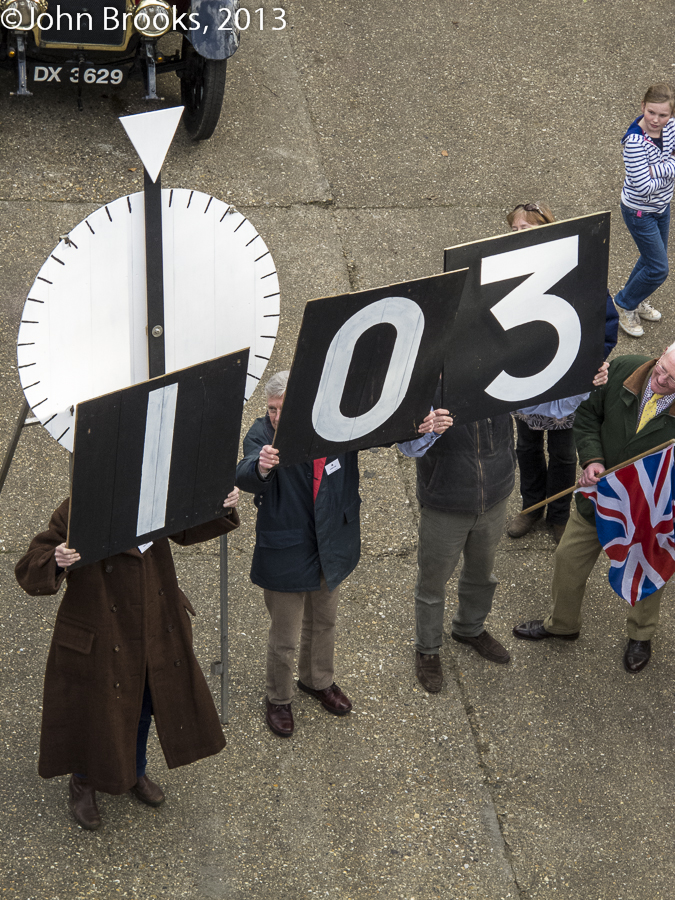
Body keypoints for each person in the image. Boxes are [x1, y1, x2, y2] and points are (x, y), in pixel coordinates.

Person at [14, 491, 240, 830]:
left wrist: (220, 502)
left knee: (145, 705)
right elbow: (29, 568)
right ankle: (83, 780)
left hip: (152, 623)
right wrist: (57, 558)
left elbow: (189, 528)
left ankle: (135, 770)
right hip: (103, 629)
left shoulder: (157, 497)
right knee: (98, 708)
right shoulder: (81, 507)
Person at [513, 347, 675, 673]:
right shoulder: (623, 369)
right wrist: (592, 458)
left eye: (672, 381)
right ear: (658, 356)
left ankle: (641, 635)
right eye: (661, 369)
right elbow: (588, 414)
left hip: (649, 513)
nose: (660, 380)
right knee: (567, 560)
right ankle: (562, 624)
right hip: (600, 498)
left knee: (648, 571)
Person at [235, 371, 360, 738]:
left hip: (329, 545)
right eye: (271, 409)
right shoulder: (262, 436)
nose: (275, 417)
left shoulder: (332, 426)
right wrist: (260, 466)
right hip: (287, 550)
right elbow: (244, 473)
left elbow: (378, 431)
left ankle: (318, 680)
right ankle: (278, 698)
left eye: (282, 410)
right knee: (285, 635)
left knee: (325, 622)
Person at [505, 203, 618, 544]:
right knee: (526, 447)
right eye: (514, 230)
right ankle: (532, 507)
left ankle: (558, 515)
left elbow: (606, 322)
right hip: (526, 380)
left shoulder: (576, 269)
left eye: (526, 228)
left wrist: (590, 361)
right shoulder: (505, 272)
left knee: (565, 453)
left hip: (565, 383)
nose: (519, 235)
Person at [398, 382, 516, 693]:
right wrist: (428, 431)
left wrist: (582, 381)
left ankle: (470, 628)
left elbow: (541, 406)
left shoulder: (503, 366)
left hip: (494, 497)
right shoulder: (425, 383)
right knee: (432, 583)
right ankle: (427, 648)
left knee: (482, 574)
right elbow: (405, 446)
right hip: (445, 503)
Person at [613, 83, 675, 338]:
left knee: (651, 259)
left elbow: (654, 178)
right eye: (651, 112)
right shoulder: (634, 141)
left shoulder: (671, 127)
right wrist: (670, 166)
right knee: (659, 268)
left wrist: (657, 169)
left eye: (663, 115)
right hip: (640, 212)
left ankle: (636, 299)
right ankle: (626, 303)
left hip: (662, 206)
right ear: (642, 107)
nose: (656, 120)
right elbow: (644, 187)